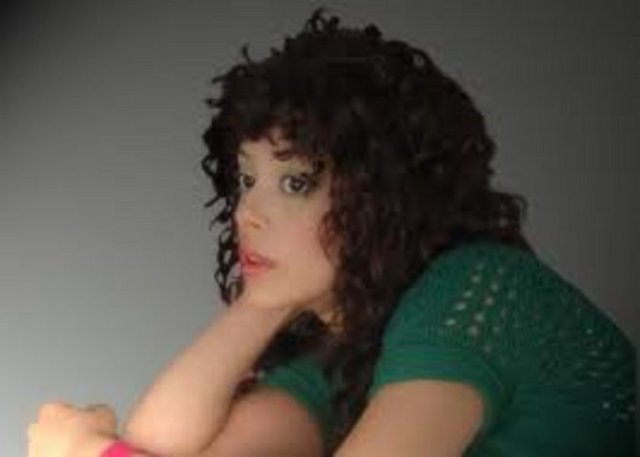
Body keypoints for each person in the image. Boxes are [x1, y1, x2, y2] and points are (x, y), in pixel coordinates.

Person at [28, 8, 635, 457]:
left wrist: (87, 452)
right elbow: (159, 444)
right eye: (246, 180)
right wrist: (262, 304)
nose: (248, 213)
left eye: (295, 182)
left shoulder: (475, 292)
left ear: (385, 198)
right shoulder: (349, 343)